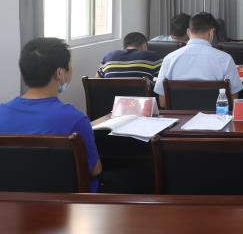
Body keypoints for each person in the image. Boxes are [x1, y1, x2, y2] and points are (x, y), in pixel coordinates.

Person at [0, 38, 102, 191]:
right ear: (60, 73)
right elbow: (95, 170)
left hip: (11, 203)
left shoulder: (1, 113)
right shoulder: (76, 119)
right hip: (68, 204)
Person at [153, 12, 243, 108]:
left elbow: (163, 102)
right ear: (211, 32)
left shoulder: (169, 59)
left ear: (188, 32)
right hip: (215, 116)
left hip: (180, 117)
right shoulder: (225, 59)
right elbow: (233, 101)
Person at [97, 32, 162, 81]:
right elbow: (162, 81)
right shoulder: (152, 57)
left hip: (111, 95)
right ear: (144, 45)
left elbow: (96, 82)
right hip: (140, 95)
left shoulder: (108, 57)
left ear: (124, 46)